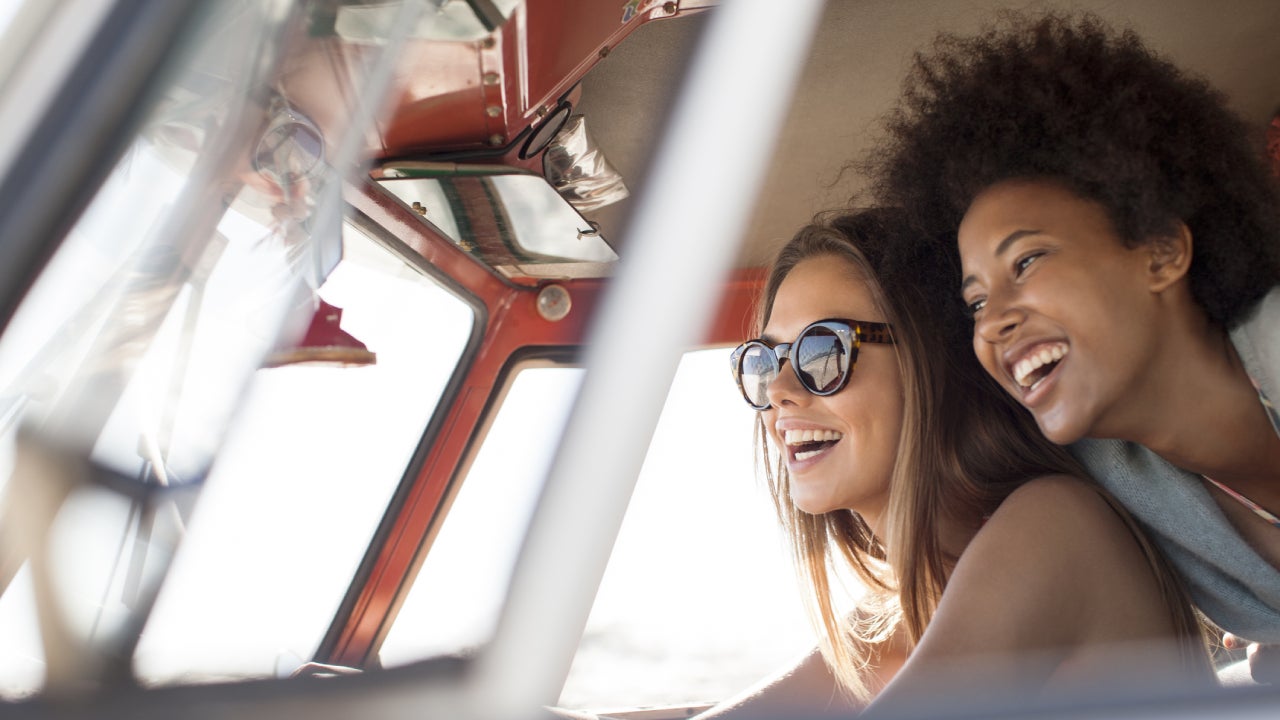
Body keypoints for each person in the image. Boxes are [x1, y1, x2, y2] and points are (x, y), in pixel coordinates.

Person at [867, 11, 1280, 678]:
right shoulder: (1109, 478)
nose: (993, 320)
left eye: (1026, 262)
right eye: (975, 301)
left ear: (1160, 250)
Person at [693, 209, 1211, 718]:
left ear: (932, 360)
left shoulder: (1053, 523)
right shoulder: (898, 616)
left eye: (821, 352)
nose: (779, 392)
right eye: (765, 362)